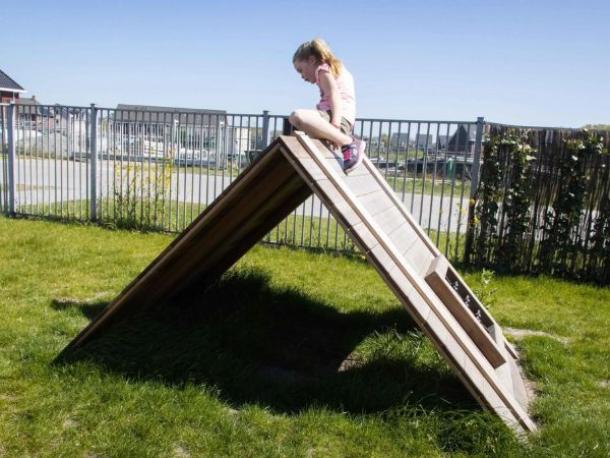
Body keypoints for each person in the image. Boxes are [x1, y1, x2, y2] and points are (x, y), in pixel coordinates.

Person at [289, 38, 366, 173]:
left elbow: (334, 96)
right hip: (343, 117)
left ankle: (348, 142)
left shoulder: (322, 69)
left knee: (296, 117)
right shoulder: (336, 68)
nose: (301, 76)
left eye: (300, 70)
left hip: (336, 116)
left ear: (312, 60)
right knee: (309, 141)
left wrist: (335, 126)